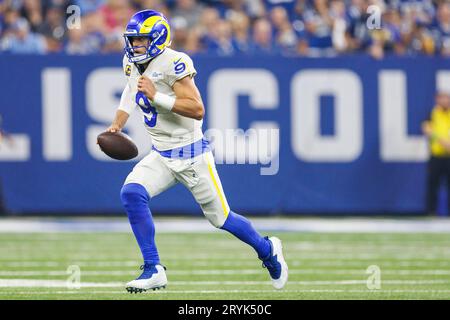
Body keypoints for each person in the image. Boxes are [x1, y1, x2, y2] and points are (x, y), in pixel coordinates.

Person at [106, 9, 288, 293]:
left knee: (222, 218)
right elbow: (132, 90)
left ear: (157, 38)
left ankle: (267, 249)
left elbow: (197, 109)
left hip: (191, 155)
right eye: (133, 40)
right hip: (161, 154)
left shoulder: (175, 62)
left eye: (141, 40)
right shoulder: (131, 61)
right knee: (131, 193)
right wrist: (118, 123)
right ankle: (153, 267)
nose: (135, 45)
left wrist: (157, 96)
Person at [422, 91, 450, 216]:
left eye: (447, 98)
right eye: (442, 98)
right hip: (436, 155)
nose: (445, 101)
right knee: (433, 184)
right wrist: (441, 141)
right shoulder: (432, 114)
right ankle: (431, 212)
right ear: (437, 99)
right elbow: (427, 130)